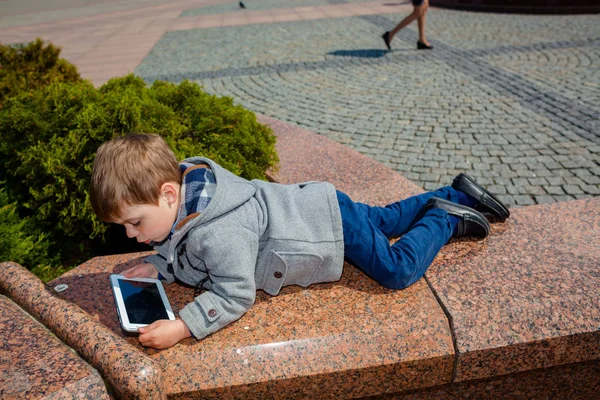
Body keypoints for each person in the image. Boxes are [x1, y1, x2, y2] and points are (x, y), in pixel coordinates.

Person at [90, 133, 509, 349]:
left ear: (167, 194)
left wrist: (184, 326)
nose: (132, 235)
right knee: (385, 218)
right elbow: (179, 247)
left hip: (329, 228)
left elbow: (235, 294)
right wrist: (160, 268)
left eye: (134, 223)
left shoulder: (220, 232)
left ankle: (444, 219)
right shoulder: (188, 197)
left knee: (397, 269)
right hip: (320, 203)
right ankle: (457, 193)